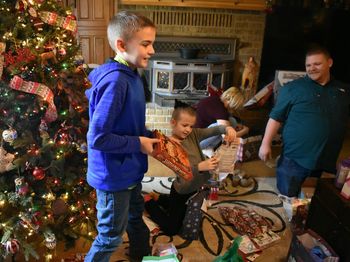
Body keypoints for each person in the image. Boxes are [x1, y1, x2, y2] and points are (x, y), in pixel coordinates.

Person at [84, 11, 159, 262]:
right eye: (146, 44)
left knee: (136, 216)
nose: (152, 50)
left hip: (130, 168)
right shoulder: (116, 81)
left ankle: (141, 255)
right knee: (109, 237)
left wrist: (149, 136)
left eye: (152, 43)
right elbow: (98, 138)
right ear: (121, 45)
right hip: (114, 176)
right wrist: (139, 143)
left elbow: (127, 125)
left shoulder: (133, 75)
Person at [258, 45, 350, 197]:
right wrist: (265, 144)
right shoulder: (293, 88)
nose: (312, 68)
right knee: (288, 194)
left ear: (330, 63)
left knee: (315, 195)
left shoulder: (343, 90)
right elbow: (276, 117)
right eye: (308, 65)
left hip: (326, 157)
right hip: (295, 156)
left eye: (317, 64)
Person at [144, 100, 237, 236]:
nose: (188, 129)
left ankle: (161, 199)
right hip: (182, 190)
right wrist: (200, 166)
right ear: (173, 123)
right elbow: (181, 170)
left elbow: (214, 129)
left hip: (196, 187)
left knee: (181, 209)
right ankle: (149, 202)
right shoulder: (169, 145)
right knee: (172, 229)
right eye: (184, 125)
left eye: (191, 126)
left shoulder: (194, 134)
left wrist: (227, 129)